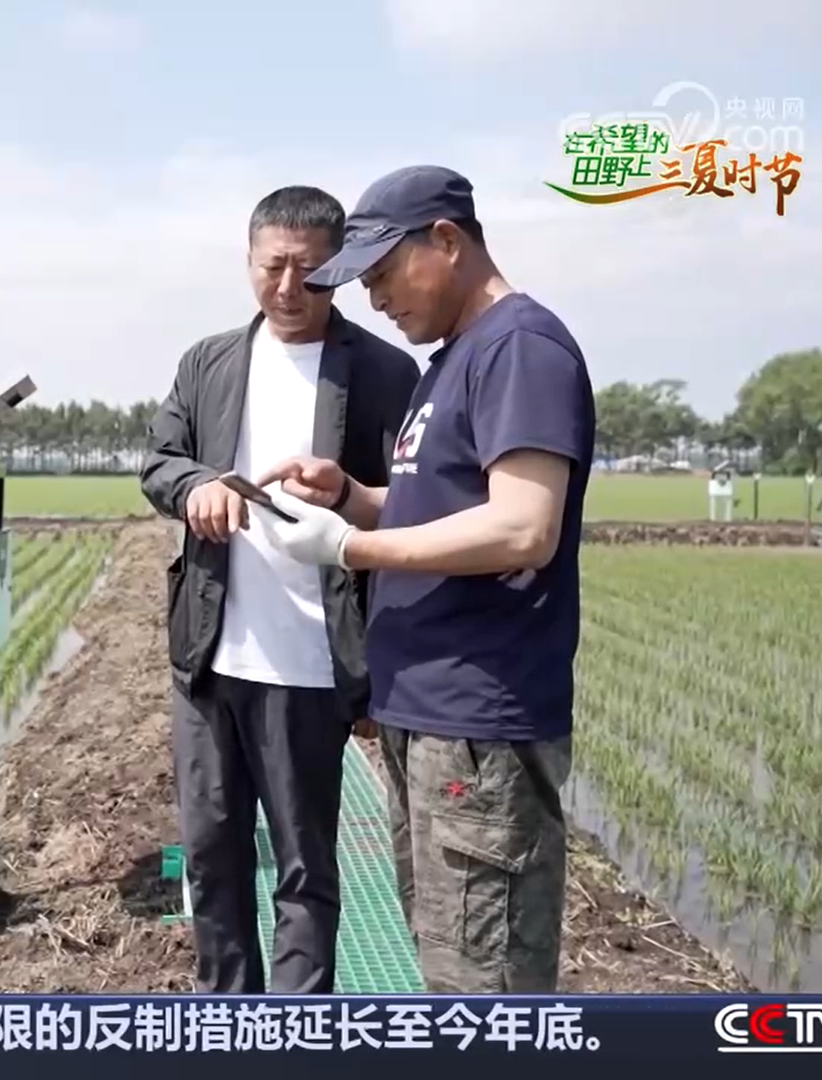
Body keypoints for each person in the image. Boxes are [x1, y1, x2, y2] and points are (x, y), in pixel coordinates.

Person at [249, 165, 596, 993]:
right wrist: (352, 497)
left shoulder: (520, 348)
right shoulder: (451, 363)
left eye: (382, 274)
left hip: (478, 724)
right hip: (428, 717)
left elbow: (523, 526)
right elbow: (435, 508)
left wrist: (350, 549)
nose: (374, 301)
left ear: (445, 241)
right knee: (447, 968)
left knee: (485, 990)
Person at [139, 184, 421, 994]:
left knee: (304, 866)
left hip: (312, 664)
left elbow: (415, 509)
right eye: (273, 267)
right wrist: (196, 487)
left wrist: (381, 673)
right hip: (210, 657)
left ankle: (297, 1028)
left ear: (341, 269)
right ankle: (228, 1015)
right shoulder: (209, 362)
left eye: (310, 270)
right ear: (249, 261)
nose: (290, 287)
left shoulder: (385, 373)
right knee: (211, 854)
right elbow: (158, 463)